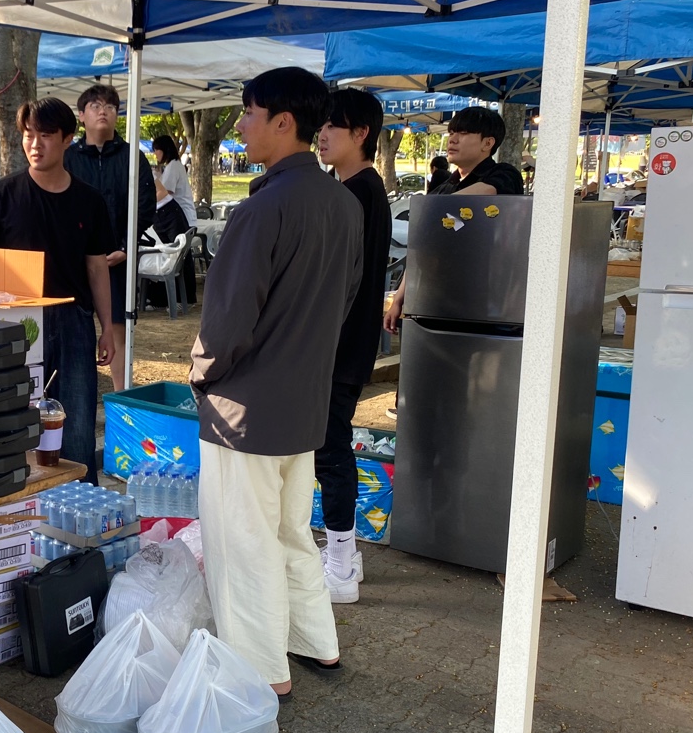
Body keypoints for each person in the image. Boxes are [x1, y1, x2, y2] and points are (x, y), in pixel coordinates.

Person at [191, 67, 363, 699]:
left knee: (244, 543)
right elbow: (346, 301)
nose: (241, 125)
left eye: (248, 113)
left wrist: (201, 375)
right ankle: (315, 641)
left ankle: (261, 669)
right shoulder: (343, 204)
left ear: (283, 122)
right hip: (303, 402)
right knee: (291, 533)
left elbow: (226, 322)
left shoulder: (262, 209)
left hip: (246, 410)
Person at [0, 98, 115, 476]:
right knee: (16, 414)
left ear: (67, 139)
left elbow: (97, 267)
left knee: (76, 418)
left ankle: (80, 495)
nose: (35, 144)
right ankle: (18, 493)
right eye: (28, 135)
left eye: (46, 135)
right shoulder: (1, 194)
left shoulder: (89, 200)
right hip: (16, 320)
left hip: (74, 319)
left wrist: (107, 328)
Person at [312, 89, 392, 605]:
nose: (321, 135)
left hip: (340, 344)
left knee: (330, 449)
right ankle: (344, 554)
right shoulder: (357, 187)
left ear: (360, 133)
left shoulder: (358, 192)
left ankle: (341, 563)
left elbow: (338, 280)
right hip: (344, 342)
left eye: (331, 126)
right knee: (328, 446)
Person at [383, 107, 524, 333]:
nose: (453, 139)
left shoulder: (504, 174)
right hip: (435, 304)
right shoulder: (443, 189)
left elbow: (489, 190)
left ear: (488, 143)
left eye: (463, 133)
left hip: (488, 307)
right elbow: (420, 250)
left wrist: (432, 209)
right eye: (451, 133)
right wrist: (399, 299)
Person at [64, 84, 156, 393]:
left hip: (118, 258)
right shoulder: (69, 157)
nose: (103, 111)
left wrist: (126, 247)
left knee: (118, 327)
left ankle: (120, 395)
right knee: (73, 324)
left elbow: (145, 206)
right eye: (95, 106)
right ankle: (74, 394)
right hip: (75, 260)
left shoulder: (132, 157)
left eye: (110, 107)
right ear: (81, 115)